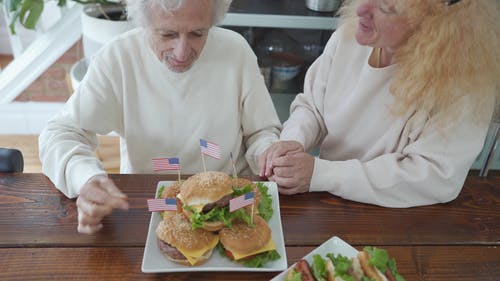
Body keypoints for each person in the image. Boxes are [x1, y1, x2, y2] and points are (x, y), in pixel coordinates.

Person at [39, 0, 281, 234]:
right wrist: (86, 178)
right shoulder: (118, 57)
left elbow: (261, 132)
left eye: (198, 33)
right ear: (143, 23)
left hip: (232, 202)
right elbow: (61, 132)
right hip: (150, 203)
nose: (182, 52)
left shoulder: (236, 51)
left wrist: (268, 157)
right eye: (167, 34)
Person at [259, 0, 500, 207]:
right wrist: (293, 141)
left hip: (399, 219)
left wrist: (320, 174)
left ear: (432, 26)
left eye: (385, 7)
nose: (362, 8)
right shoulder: (347, 39)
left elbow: (435, 177)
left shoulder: (463, 85)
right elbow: (313, 106)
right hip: (327, 202)